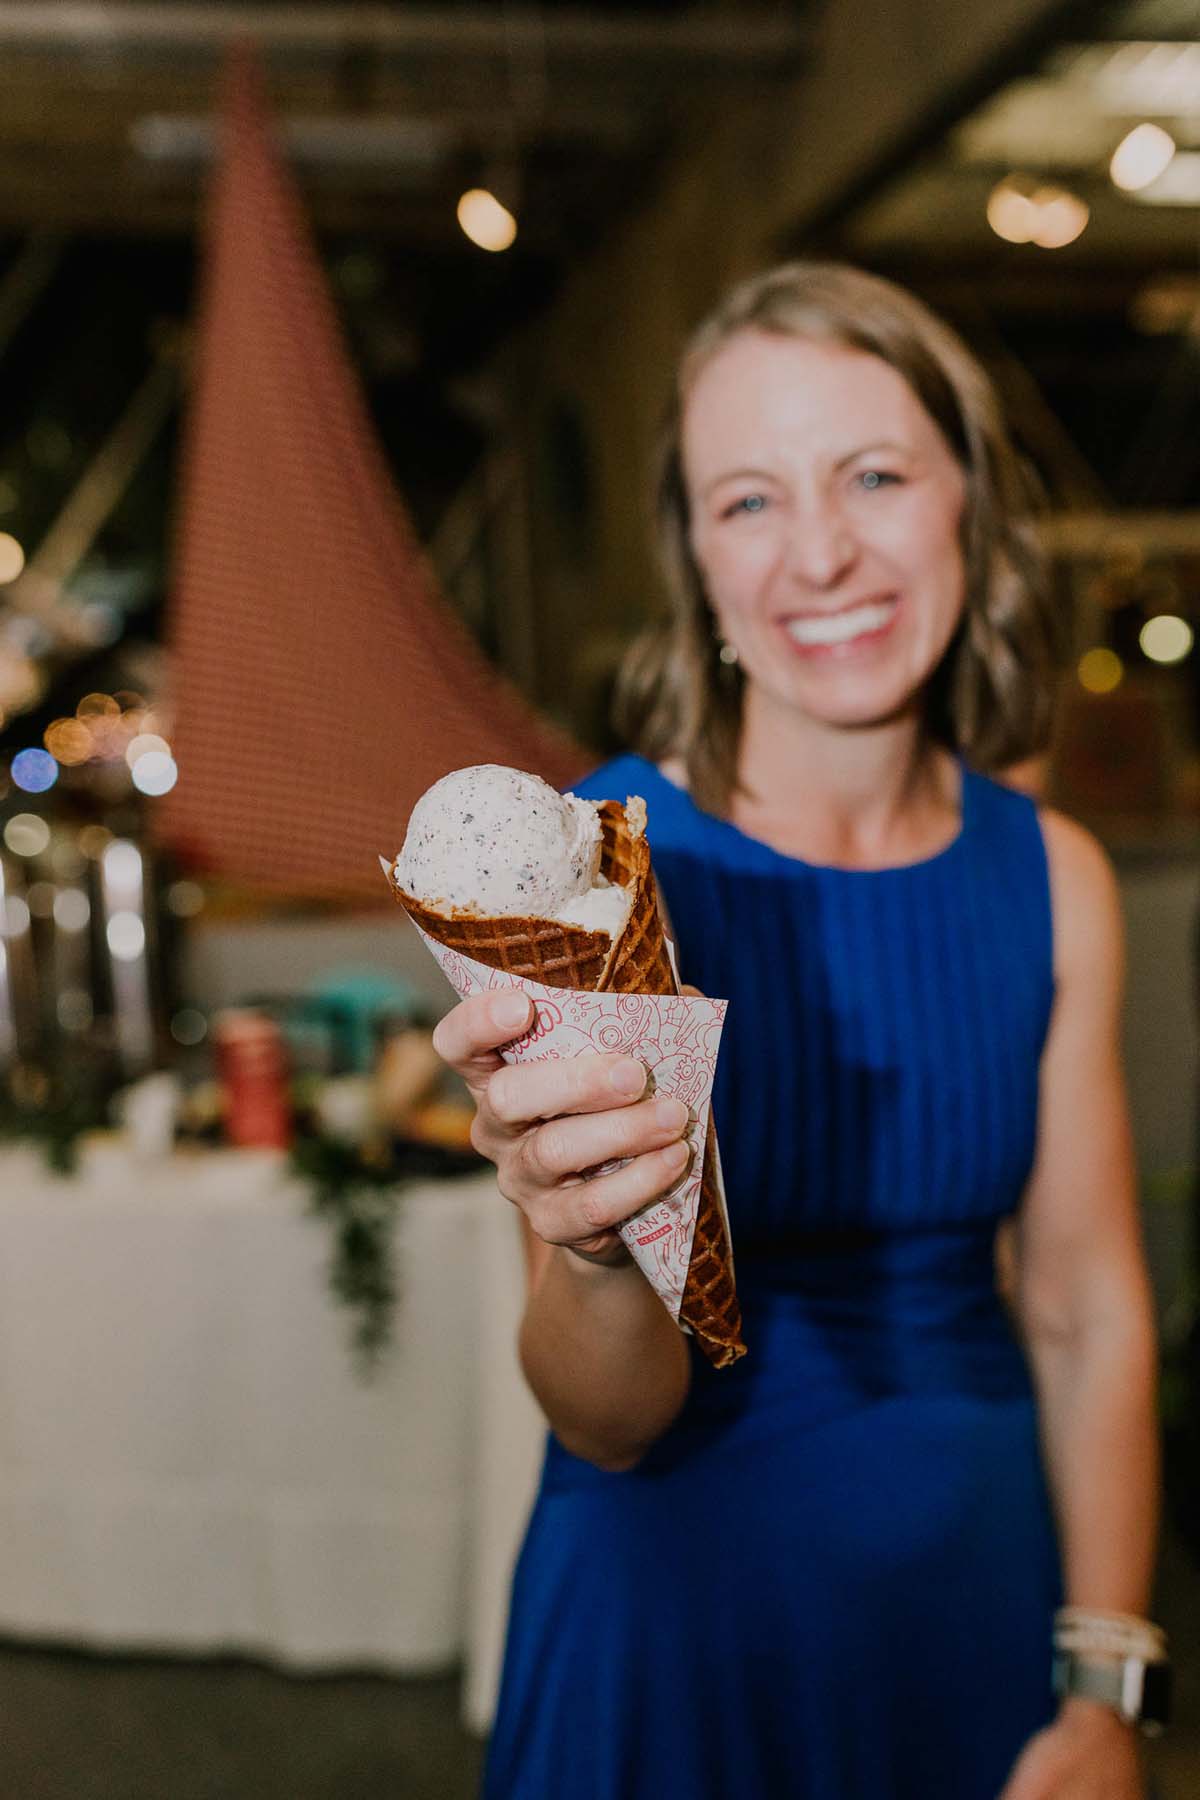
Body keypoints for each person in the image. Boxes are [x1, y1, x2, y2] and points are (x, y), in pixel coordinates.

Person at [434, 263, 1163, 1799]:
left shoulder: (1055, 879)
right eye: (750, 502)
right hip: (679, 1637)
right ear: (695, 559)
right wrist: (588, 1245)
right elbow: (611, 1421)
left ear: (967, 493)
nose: (822, 551)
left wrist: (1108, 1683)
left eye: (876, 476)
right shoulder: (604, 868)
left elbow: (1091, 1313)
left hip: (977, 1619)